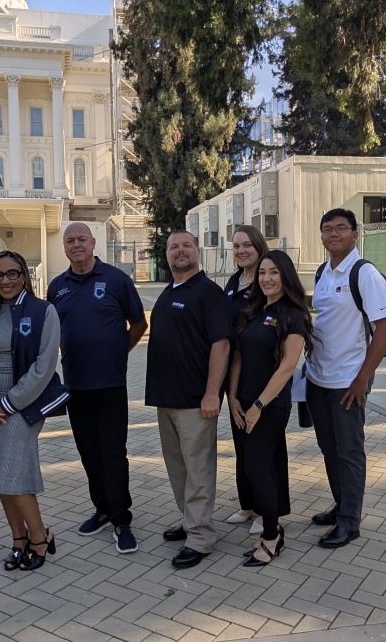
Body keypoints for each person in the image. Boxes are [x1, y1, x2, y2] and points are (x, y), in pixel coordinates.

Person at [47, 222, 147, 553]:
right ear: (64, 248)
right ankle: (102, 510)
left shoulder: (116, 280)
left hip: (111, 384)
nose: (76, 245)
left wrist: (118, 352)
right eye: (70, 241)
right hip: (76, 385)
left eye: (82, 240)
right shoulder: (57, 286)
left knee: (113, 454)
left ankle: (122, 520)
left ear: (93, 243)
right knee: (89, 453)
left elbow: (139, 323)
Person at [0, 250, 61, 570]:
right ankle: (18, 539)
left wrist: (8, 403)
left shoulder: (44, 311)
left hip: (24, 406)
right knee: (2, 477)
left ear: (24, 276)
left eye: (13, 273)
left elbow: (44, 367)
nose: (6, 280)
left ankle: (40, 537)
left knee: (15, 475)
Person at [305, 208, 386, 548]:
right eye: (327, 229)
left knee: (349, 452)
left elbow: (384, 328)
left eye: (341, 228)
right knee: (329, 449)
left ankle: (350, 522)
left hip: (347, 382)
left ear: (355, 234)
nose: (333, 234)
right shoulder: (322, 272)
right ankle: (341, 505)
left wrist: (362, 380)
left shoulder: (364, 273)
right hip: (318, 379)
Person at [145, 230, 230, 569]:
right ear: (166, 254)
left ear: (197, 251)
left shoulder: (209, 293)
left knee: (198, 470)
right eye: (173, 247)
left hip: (196, 400)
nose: (180, 252)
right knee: (178, 468)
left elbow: (221, 344)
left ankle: (201, 536)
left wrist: (212, 392)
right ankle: (190, 519)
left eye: (186, 246)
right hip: (166, 399)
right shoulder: (169, 291)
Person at [229, 250, 313, 567]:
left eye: (274, 272)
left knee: (257, 466)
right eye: (262, 272)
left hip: (271, 405)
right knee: (260, 466)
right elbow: (238, 356)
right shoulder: (254, 310)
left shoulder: (292, 314)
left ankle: (271, 535)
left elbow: (287, 366)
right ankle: (273, 526)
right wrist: (234, 398)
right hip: (244, 402)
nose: (266, 278)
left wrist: (259, 406)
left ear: (286, 276)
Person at [222, 225, 268, 533]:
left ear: (258, 246)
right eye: (236, 246)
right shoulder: (233, 281)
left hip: (261, 371)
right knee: (241, 440)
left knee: (264, 446)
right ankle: (248, 505)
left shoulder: (267, 279)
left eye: (247, 245)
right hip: (233, 371)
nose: (241, 250)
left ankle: (269, 510)